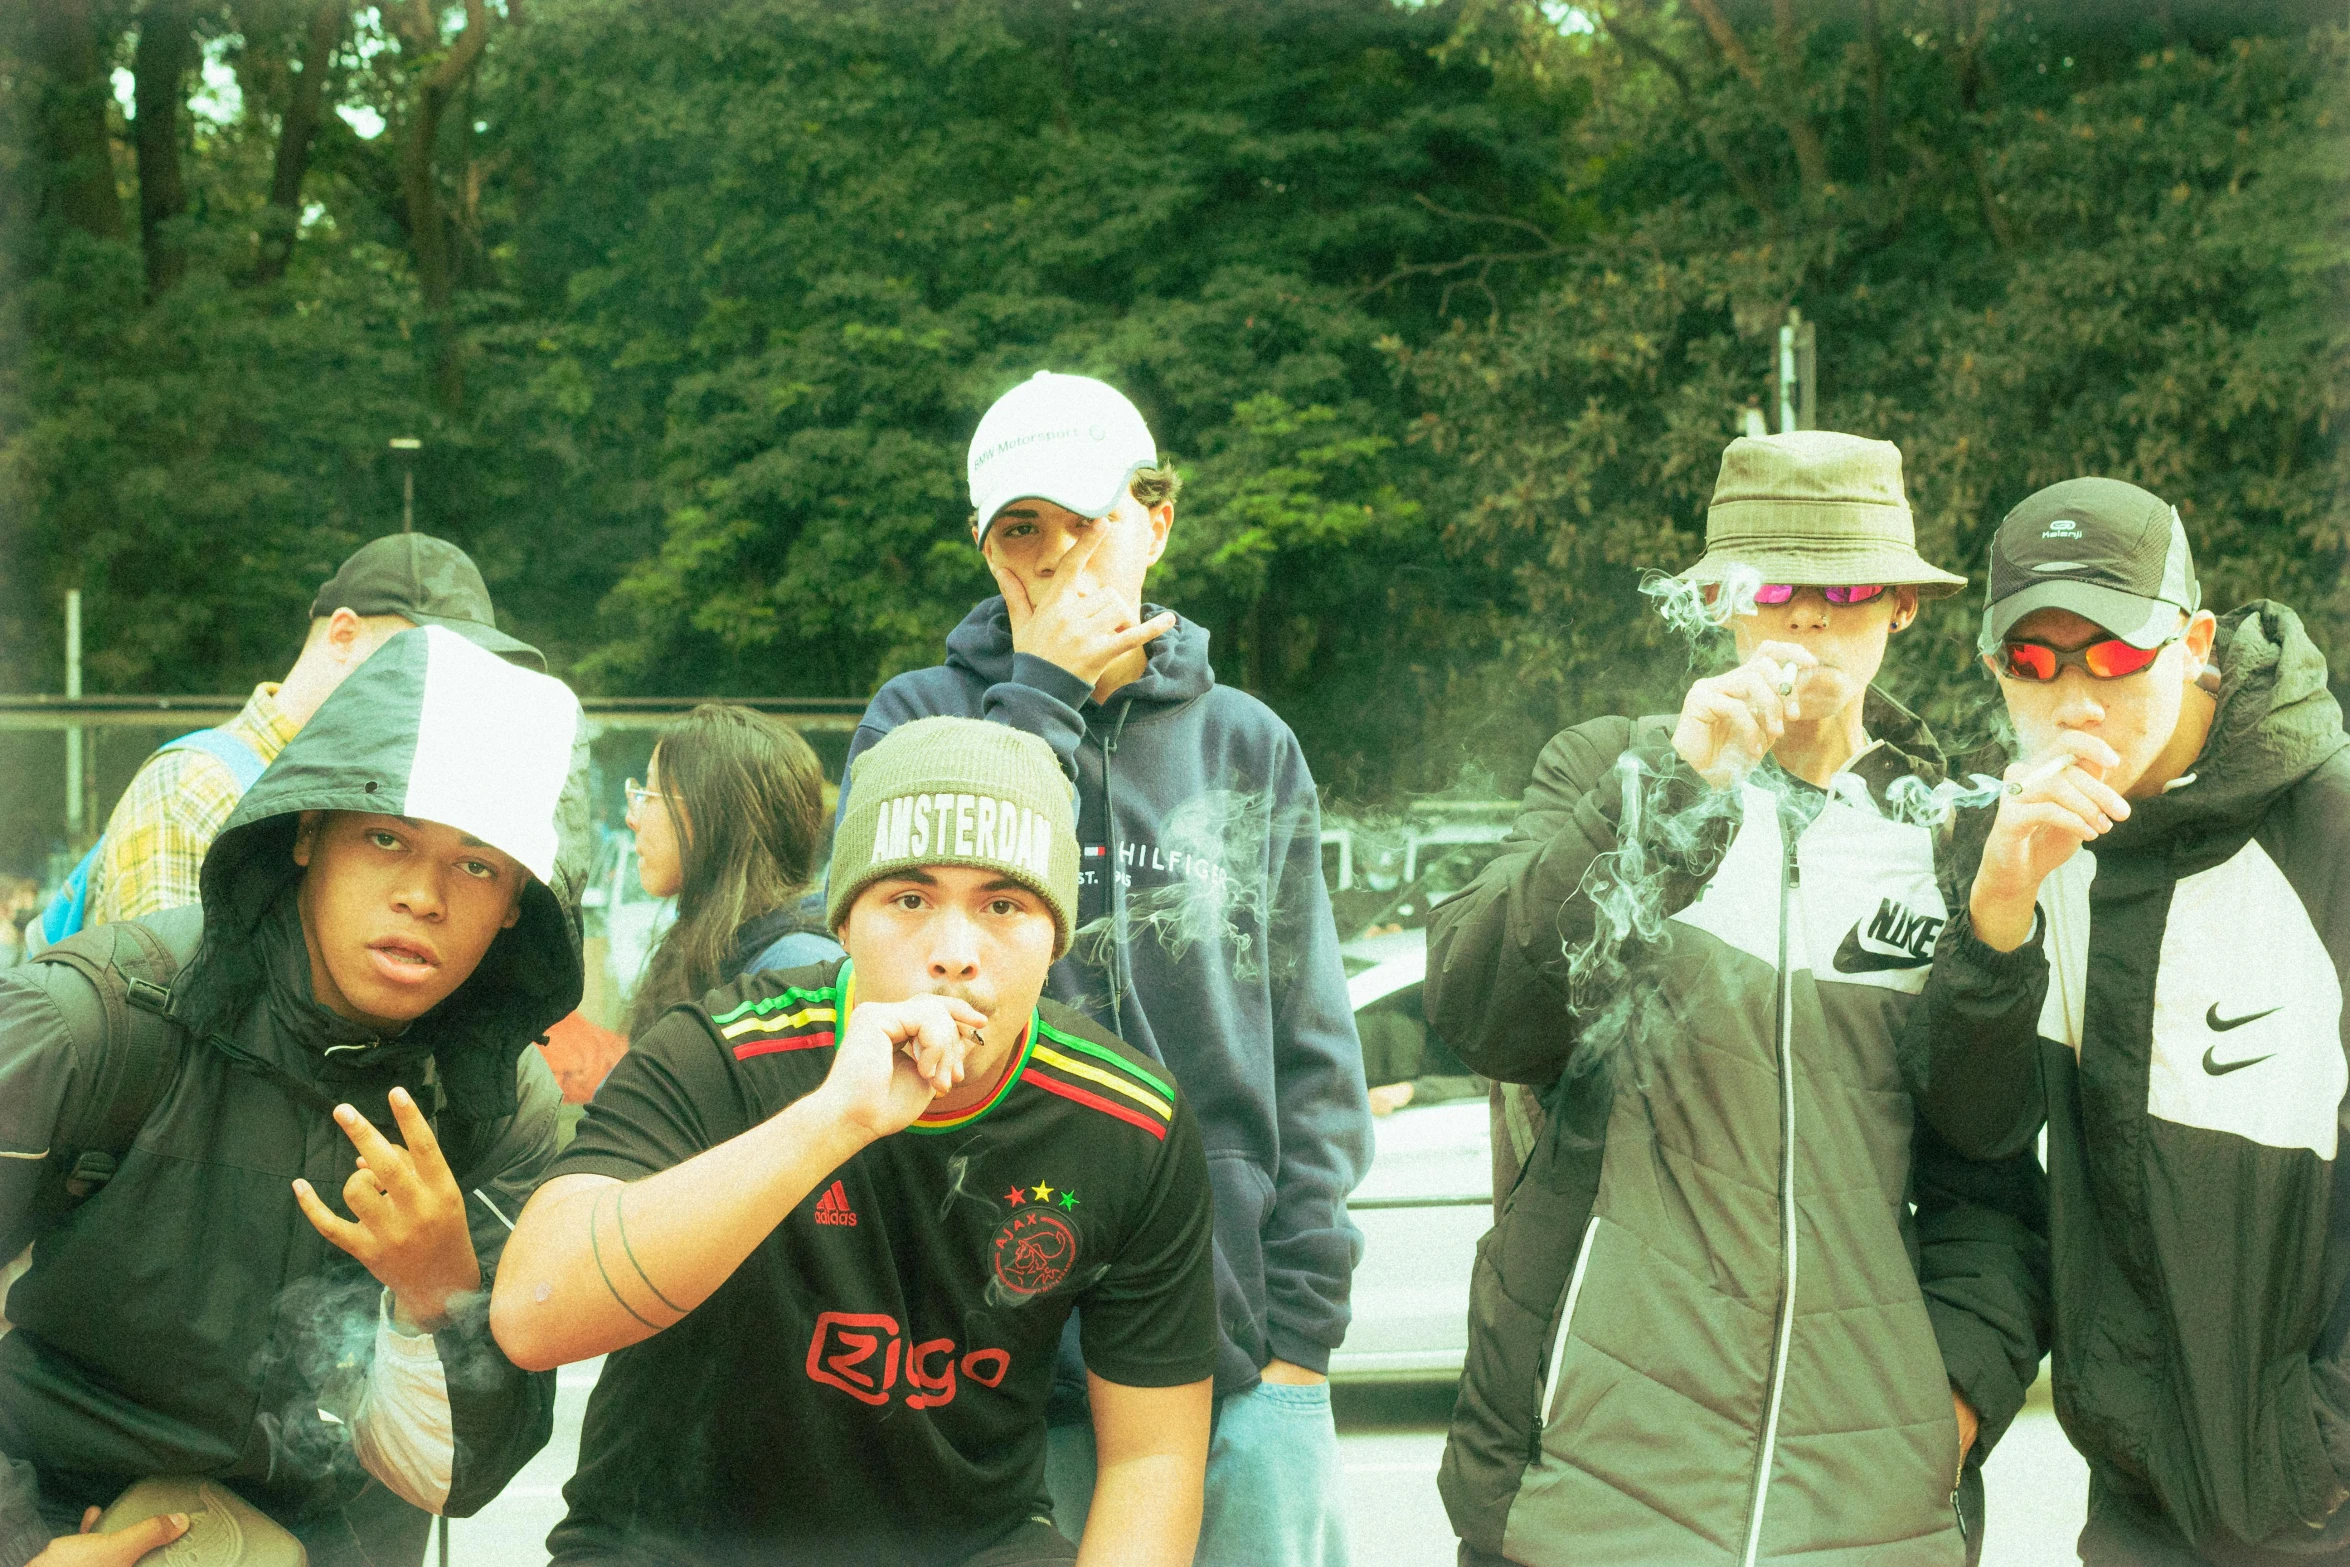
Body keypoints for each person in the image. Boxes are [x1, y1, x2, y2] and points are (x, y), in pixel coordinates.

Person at [1428, 432, 2050, 1567]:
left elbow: (1991, 1172)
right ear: (1717, 600)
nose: (1807, 620)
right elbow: (1486, 1016)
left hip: (1867, 1516)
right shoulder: (1610, 768)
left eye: (1847, 587)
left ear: (1900, 610)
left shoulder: (1948, 835)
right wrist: (1674, 789)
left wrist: (1949, 1401)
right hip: (1589, 1499)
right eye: (1773, 587)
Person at [839, 371, 1371, 1566]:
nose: (1060, 559)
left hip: (1242, 1357)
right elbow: (904, 982)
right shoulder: (918, 725)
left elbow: (1313, 1052)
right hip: (989, 1355)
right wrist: (1042, 701)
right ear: (983, 549)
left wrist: (1302, 1338)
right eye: (1021, 529)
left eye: (1090, 520)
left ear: (1157, 519)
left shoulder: (1246, 742)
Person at [492, 716, 1218, 1567]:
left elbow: (1153, 1455)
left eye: (1004, 904)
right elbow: (532, 1314)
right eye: (908, 899)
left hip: (966, 1544)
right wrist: (834, 1117)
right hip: (672, 1540)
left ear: (1055, 935)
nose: (953, 954)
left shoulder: (1129, 1120)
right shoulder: (721, 1050)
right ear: (842, 922)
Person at [0, 625, 585, 1567]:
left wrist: (441, 1296)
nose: (424, 896)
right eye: (386, 837)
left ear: (518, 897)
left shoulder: (502, 1103)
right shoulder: (102, 1018)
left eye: (476, 863)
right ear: (308, 831)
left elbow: (456, 1478)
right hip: (66, 1507)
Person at [1911, 479, 2350, 1566]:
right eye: (2032, 660)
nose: (2072, 699)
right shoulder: (2011, 845)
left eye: (2110, 654)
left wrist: (2323, 1442)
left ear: (2193, 640)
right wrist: (1998, 909)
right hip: (2133, 1510)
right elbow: (1976, 1146)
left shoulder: (2327, 828)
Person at [70, 532, 542, 935]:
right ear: (342, 634)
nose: (439, 689)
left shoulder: (362, 793)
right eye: (423, 658)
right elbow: (171, 1018)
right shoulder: (197, 787)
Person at [623, 702, 840, 1041]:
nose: (632, 817)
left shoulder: (797, 971)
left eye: (650, 794)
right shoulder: (714, 942)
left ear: (718, 818)